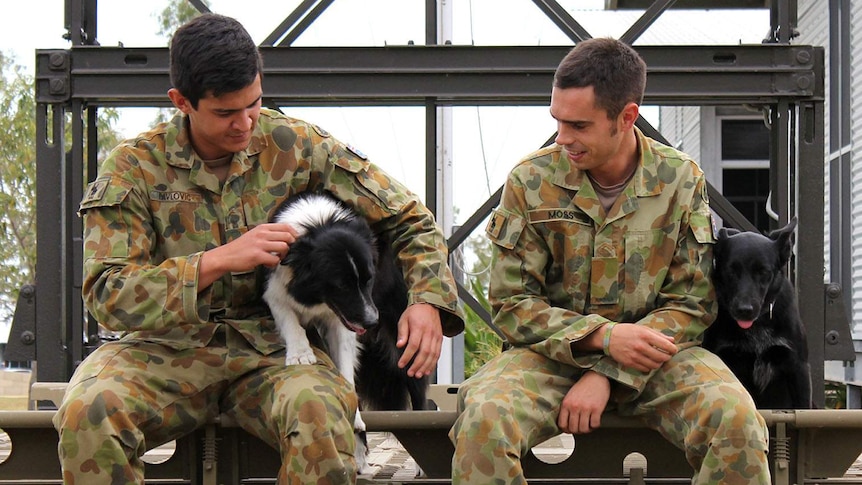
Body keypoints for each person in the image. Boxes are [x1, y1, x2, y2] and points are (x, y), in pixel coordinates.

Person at [53, 13, 464, 485]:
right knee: (89, 411)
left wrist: (429, 301)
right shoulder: (135, 167)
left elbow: (408, 217)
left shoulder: (296, 145)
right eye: (227, 113)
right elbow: (107, 292)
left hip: (279, 350)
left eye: (254, 103)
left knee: (322, 416)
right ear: (181, 101)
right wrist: (215, 262)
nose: (245, 123)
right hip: (165, 348)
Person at [449, 37, 771, 484]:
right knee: (483, 422)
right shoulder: (531, 181)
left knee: (737, 423)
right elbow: (510, 303)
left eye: (579, 125)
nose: (563, 139)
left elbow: (692, 302)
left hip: (660, 357)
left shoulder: (679, 180)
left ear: (626, 117)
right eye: (557, 121)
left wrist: (607, 372)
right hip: (548, 357)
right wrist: (601, 338)